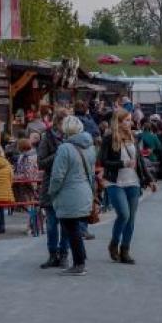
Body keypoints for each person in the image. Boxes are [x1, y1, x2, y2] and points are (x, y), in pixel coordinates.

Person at [100, 109, 156, 264]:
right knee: (123, 215)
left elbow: (139, 161)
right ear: (117, 122)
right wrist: (122, 163)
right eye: (126, 120)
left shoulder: (134, 137)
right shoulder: (109, 138)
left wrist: (149, 179)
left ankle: (125, 250)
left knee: (131, 219)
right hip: (115, 182)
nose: (129, 123)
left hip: (133, 182)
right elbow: (103, 161)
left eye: (130, 120)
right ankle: (114, 243)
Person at [47, 115, 96, 276]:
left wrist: (52, 192)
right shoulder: (89, 146)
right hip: (85, 191)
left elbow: (57, 176)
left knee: (71, 228)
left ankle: (79, 263)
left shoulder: (65, 148)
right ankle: (80, 259)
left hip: (69, 193)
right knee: (74, 228)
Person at [37, 110, 72, 268]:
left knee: (66, 223)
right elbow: (41, 162)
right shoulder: (47, 137)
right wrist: (59, 152)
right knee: (51, 223)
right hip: (51, 185)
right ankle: (52, 254)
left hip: (67, 185)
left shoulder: (72, 138)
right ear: (58, 122)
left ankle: (64, 254)